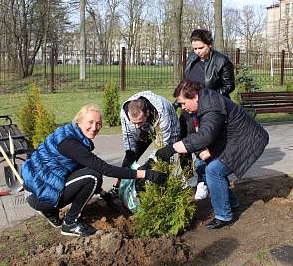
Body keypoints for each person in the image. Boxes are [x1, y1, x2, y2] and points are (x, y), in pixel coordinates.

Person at [21, 103, 167, 237]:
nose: (94, 127)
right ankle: (70, 223)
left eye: (98, 124)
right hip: (39, 196)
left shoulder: (68, 133)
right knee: (94, 176)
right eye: (90, 122)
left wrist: (104, 194)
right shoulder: (71, 144)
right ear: (79, 121)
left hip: (36, 190)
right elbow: (104, 168)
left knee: (90, 174)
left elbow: (81, 169)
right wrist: (145, 174)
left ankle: (50, 212)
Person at [156, 80, 269, 230]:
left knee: (214, 171)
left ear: (195, 96)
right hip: (231, 139)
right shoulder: (197, 107)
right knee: (204, 169)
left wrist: (172, 149)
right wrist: (201, 152)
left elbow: (205, 136)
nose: (182, 107)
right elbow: (193, 134)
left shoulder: (211, 105)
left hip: (248, 139)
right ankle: (231, 202)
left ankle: (223, 216)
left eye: (183, 103)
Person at [178, 29, 236, 195]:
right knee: (184, 141)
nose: (197, 52)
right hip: (189, 107)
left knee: (204, 143)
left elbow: (228, 87)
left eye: (200, 48)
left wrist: (207, 98)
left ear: (209, 45)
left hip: (209, 109)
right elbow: (186, 82)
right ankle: (189, 177)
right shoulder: (192, 59)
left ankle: (207, 181)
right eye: (194, 48)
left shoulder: (222, 62)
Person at [107, 91, 181, 197]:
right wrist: (130, 153)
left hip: (167, 128)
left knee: (163, 157)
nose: (137, 126)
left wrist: (147, 165)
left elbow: (163, 144)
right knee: (129, 159)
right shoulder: (125, 113)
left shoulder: (161, 111)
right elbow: (128, 137)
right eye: (134, 122)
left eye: (139, 122)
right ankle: (119, 187)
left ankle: (163, 190)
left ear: (147, 113)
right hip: (145, 131)